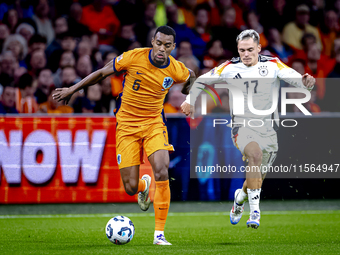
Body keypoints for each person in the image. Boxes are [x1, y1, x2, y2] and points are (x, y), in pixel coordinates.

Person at [52, 26, 195, 245]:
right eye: (158, 43)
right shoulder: (133, 57)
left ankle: (159, 235)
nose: (162, 49)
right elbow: (101, 73)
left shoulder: (176, 69)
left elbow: (192, 76)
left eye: (167, 45)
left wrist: (188, 97)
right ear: (153, 41)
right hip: (126, 126)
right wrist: (73, 89)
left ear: (173, 47)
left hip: (154, 124)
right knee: (129, 188)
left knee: (162, 170)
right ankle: (142, 187)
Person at [181, 29, 315, 229]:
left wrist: (307, 83)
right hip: (241, 127)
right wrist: (189, 100)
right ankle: (255, 212)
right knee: (255, 154)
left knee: (256, 178)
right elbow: (202, 80)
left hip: (269, 129)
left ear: (259, 48)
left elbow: (298, 80)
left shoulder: (273, 64)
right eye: (241, 50)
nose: (245, 54)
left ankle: (239, 198)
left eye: (250, 49)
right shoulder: (228, 67)